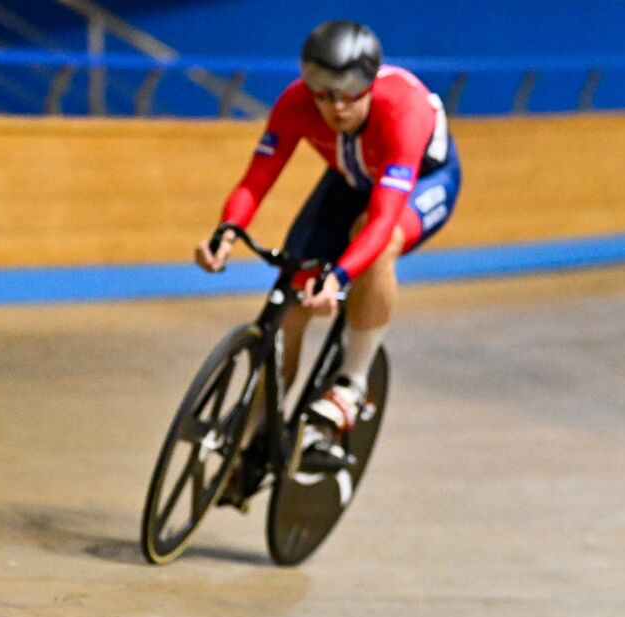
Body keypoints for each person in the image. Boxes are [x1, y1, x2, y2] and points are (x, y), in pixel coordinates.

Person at [195, 19, 459, 471]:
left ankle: (351, 385)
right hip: (349, 181)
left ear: (370, 82)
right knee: (291, 296)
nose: (334, 105)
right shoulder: (296, 104)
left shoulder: (404, 111)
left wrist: (338, 278)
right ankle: (255, 433)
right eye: (321, 89)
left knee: (374, 242)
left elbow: (381, 221)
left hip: (422, 185)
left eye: (349, 91)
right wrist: (228, 230)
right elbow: (256, 180)